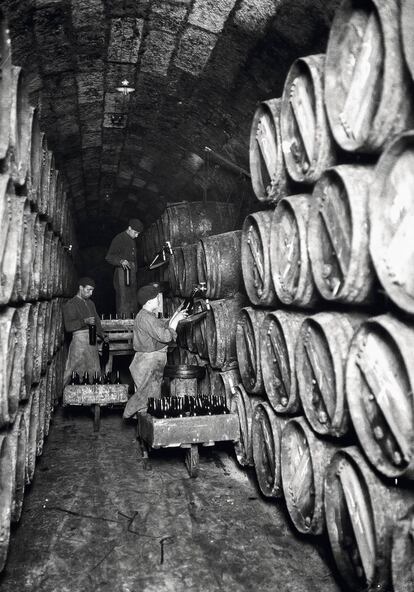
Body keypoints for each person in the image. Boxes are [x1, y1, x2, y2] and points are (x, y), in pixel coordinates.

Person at [123, 283, 188, 418]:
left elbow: (161, 327)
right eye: (157, 298)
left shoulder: (148, 316)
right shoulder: (146, 318)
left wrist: (176, 315)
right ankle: (130, 411)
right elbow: (165, 336)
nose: (159, 300)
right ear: (149, 301)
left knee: (149, 398)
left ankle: (144, 431)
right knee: (147, 398)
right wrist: (175, 322)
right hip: (148, 362)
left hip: (148, 361)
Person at [63, 277, 108, 385]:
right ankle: (63, 396)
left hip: (92, 342)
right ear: (80, 288)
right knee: (73, 370)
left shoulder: (91, 303)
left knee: (94, 370)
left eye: (92, 290)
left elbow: (97, 320)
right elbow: (68, 326)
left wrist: (102, 334)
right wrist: (84, 321)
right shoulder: (71, 304)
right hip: (79, 342)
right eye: (88, 290)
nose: (91, 293)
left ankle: (94, 397)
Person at [105, 218, 144, 317]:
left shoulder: (132, 240)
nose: (137, 235)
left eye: (138, 233)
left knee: (132, 299)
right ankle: (123, 323)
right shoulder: (119, 238)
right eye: (135, 232)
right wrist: (121, 261)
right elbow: (109, 257)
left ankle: (133, 322)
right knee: (123, 299)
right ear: (129, 228)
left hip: (132, 273)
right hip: (122, 273)